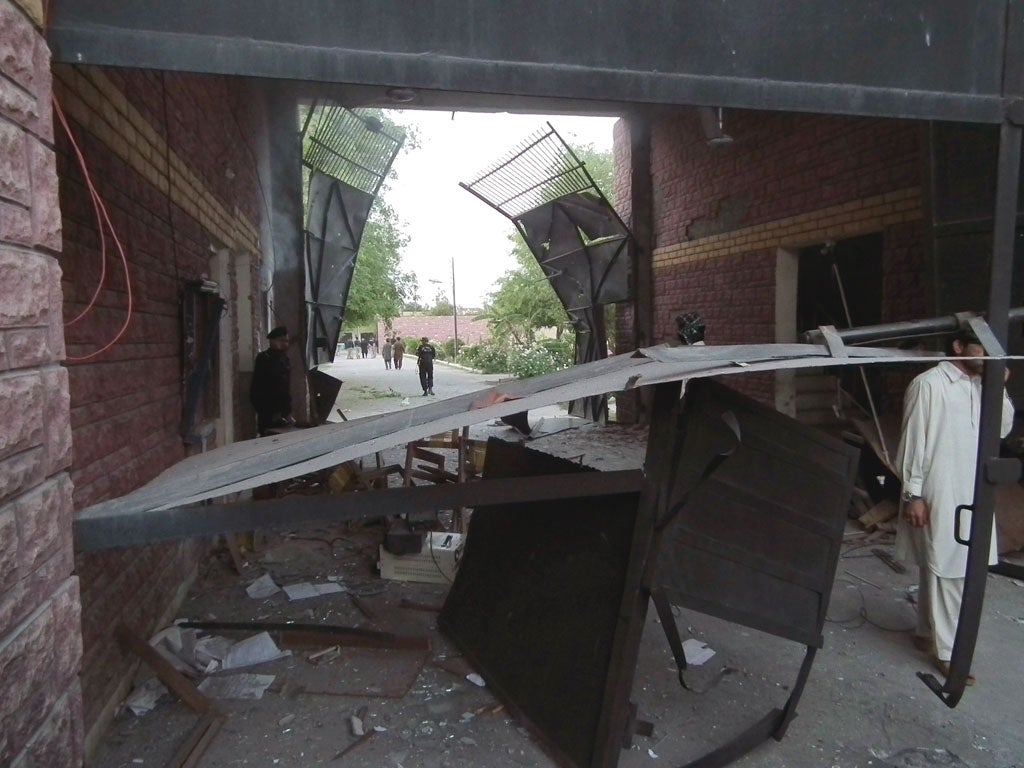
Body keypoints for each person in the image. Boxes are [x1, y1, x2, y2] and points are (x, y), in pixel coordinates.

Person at [896, 328, 1014, 682]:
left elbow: (1002, 429)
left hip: (971, 488)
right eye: (981, 349)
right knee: (951, 567)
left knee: (942, 562)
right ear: (959, 346)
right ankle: (949, 653)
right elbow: (914, 440)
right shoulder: (929, 384)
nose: (987, 357)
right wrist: (913, 494)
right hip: (939, 489)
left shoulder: (981, 386)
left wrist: (1000, 386)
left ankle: (923, 632)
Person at [250, 326, 295, 436]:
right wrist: (265, 410)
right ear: (272, 341)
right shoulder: (264, 358)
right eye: (281, 341)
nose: (285, 344)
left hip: (282, 409)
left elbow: (285, 387)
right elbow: (258, 386)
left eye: (286, 341)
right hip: (267, 408)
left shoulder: (285, 359)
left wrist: (286, 411)